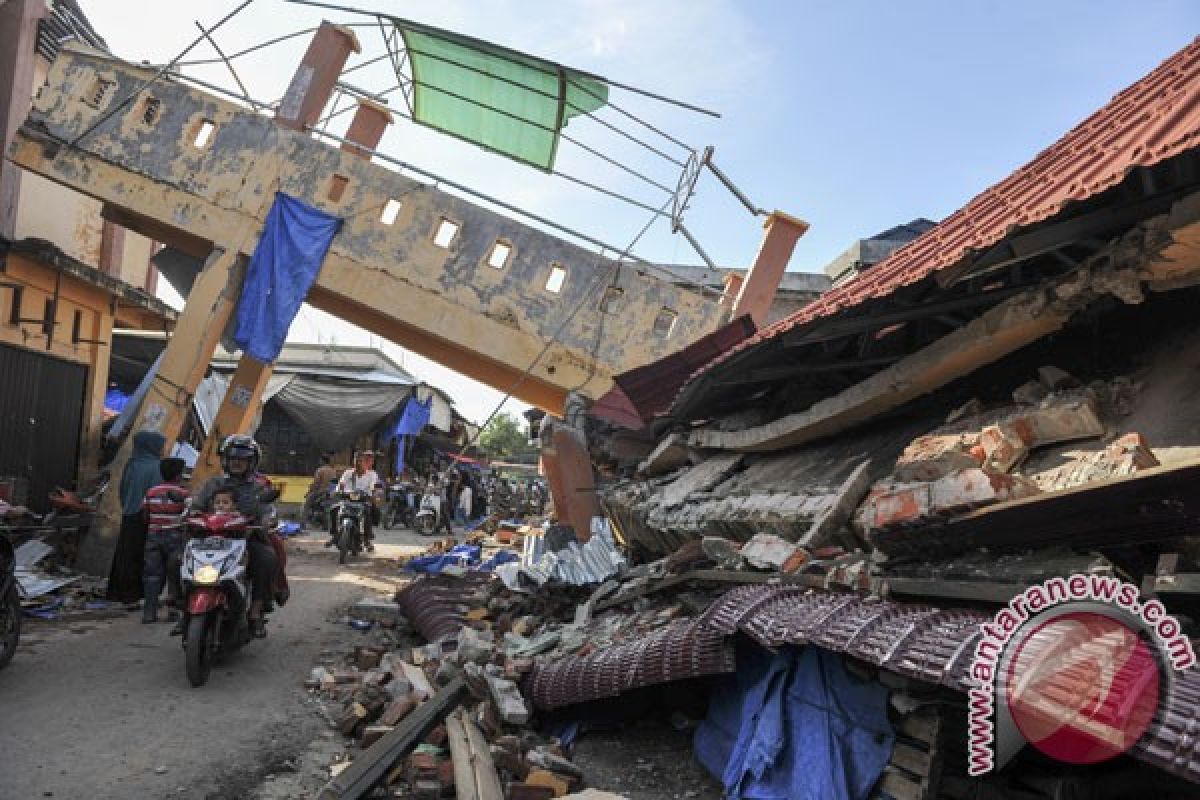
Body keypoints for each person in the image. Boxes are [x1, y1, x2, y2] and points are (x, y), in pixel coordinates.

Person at [192, 435, 278, 638]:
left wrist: (267, 520)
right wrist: (192, 515)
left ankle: (255, 612)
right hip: (209, 541)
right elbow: (196, 505)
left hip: (245, 541)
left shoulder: (259, 487)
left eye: (243, 459)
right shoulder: (213, 484)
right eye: (233, 458)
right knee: (176, 558)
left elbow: (268, 510)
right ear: (226, 460)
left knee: (267, 559)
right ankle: (179, 603)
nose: (237, 462)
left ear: (252, 462)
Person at [107, 430, 166, 606]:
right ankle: (138, 593)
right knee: (144, 556)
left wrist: (127, 506)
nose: (163, 450)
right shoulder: (158, 467)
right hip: (149, 517)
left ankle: (120, 593)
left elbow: (123, 490)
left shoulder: (132, 464)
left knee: (125, 554)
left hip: (129, 514)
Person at [141, 457, 190, 625]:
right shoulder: (183, 494)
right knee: (174, 573)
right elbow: (188, 516)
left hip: (153, 536)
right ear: (179, 475)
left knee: (152, 574)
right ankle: (171, 610)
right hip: (175, 537)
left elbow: (145, 515)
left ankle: (149, 612)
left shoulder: (151, 492)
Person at [329, 450, 380, 552]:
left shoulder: (372, 474)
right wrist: (337, 491)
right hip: (347, 499)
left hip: (362, 501)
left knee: (368, 513)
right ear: (354, 462)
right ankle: (334, 535)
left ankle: (366, 539)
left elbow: (373, 487)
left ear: (364, 463)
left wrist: (373, 494)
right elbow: (341, 484)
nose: (358, 463)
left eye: (361, 461)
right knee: (333, 509)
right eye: (356, 461)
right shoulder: (348, 473)